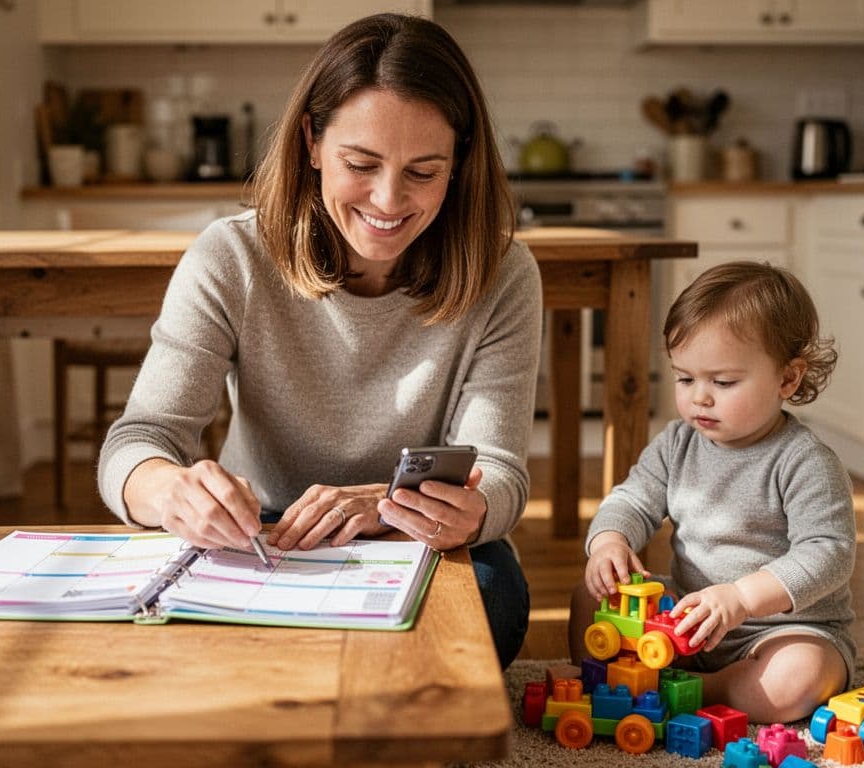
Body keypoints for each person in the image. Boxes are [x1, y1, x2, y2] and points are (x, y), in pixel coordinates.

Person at [98, 13, 540, 669]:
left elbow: (499, 472)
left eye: (424, 171)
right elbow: (138, 441)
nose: (388, 200)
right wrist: (171, 492)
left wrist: (441, 509)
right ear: (310, 141)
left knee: (495, 597)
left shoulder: (503, 275)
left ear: (460, 164)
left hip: (407, 535)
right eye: (360, 163)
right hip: (262, 529)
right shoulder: (230, 256)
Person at [568, 261, 856, 723]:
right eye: (685, 379)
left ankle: (701, 690)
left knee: (799, 678)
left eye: (722, 382)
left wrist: (741, 599)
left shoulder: (805, 461)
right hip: (685, 618)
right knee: (591, 593)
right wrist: (609, 542)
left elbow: (829, 553)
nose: (699, 397)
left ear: (787, 379)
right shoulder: (677, 443)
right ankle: (623, 675)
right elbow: (632, 499)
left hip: (777, 632)